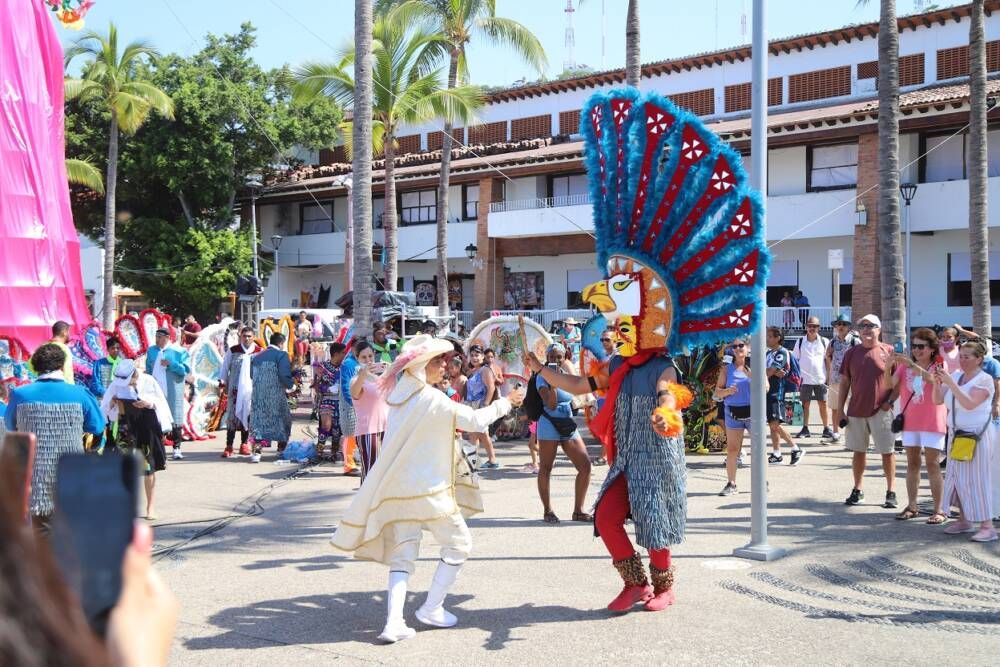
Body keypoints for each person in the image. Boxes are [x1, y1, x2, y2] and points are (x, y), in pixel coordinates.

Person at [330, 335, 523, 643]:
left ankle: (394, 623)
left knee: (402, 556)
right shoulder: (430, 399)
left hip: (399, 489)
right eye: (438, 361)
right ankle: (431, 607)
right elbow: (473, 420)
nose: (445, 366)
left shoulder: (400, 396)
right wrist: (505, 402)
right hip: (430, 491)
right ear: (421, 366)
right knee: (459, 545)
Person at [4, 343, 105, 532]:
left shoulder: (20, 394)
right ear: (62, 365)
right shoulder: (80, 394)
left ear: (36, 366)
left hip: (36, 479)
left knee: (41, 533)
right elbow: (97, 426)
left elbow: (11, 426)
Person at [933, 341, 997, 542]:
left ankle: (988, 526)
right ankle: (964, 519)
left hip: (976, 436)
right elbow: (937, 400)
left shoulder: (985, 380)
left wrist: (950, 384)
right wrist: (937, 383)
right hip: (956, 435)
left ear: (979, 359)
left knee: (979, 480)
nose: (962, 360)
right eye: (961, 356)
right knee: (957, 478)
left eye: (967, 356)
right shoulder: (956, 376)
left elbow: (969, 404)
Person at [884, 328, 947, 523]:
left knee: (933, 464)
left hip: (933, 420)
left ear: (931, 349)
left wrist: (911, 364)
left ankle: (939, 510)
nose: (917, 350)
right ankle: (912, 506)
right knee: (912, 464)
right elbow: (889, 384)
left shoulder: (938, 363)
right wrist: (888, 367)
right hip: (910, 421)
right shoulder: (904, 366)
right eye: (914, 346)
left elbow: (932, 380)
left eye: (921, 346)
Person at [838, 314, 897, 508]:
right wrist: (840, 410)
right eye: (862, 326)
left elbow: (899, 382)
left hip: (882, 410)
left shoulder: (889, 351)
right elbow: (845, 382)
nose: (866, 329)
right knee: (858, 452)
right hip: (856, 410)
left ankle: (891, 491)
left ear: (879, 329)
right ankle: (858, 489)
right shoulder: (851, 353)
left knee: (887, 452)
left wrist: (889, 402)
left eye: (871, 325)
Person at [100, 359, 172, 519]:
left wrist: (148, 404)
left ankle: (150, 507)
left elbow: (161, 403)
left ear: (134, 374)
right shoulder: (116, 384)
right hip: (126, 426)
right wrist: (112, 403)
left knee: (149, 467)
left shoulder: (148, 381)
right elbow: (105, 406)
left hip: (146, 425)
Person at [534, 343, 593, 524]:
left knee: (585, 466)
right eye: (552, 357)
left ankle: (578, 511)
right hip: (548, 422)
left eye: (559, 356)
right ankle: (548, 510)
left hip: (566, 422)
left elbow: (580, 391)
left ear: (564, 357)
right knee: (546, 468)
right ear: (547, 358)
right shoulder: (542, 377)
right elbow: (550, 404)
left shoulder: (566, 373)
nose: (556, 360)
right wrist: (553, 382)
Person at [145, 328, 190, 460]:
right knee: (156, 415)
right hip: (155, 388)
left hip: (173, 388)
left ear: (167, 338)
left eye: (160, 337)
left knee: (175, 415)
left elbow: (185, 370)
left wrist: (171, 364)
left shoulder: (179, 351)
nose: (157, 339)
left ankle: (176, 448)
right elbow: (148, 368)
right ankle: (158, 447)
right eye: (156, 336)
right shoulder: (151, 351)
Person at [250, 333, 295, 463]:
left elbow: (252, 375)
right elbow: (284, 374)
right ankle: (281, 450)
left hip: (258, 395)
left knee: (259, 423)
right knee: (283, 420)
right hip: (276, 394)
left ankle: (257, 453)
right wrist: (291, 386)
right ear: (281, 343)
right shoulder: (281, 355)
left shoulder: (256, 356)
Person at [716, 339, 752, 496]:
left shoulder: (754, 366)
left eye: (741, 345)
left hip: (754, 414)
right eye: (734, 346)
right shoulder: (726, 369)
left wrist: (752, 376)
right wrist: (728, 391)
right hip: (733, 413)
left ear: (748, 347)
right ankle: (731, 484)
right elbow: (717, 392)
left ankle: (762, 482)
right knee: (732, 449)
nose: (738, 349)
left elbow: (765, 387)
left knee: (759, 449)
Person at [219, 327, 262, 459]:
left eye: (249, 336)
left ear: (254, 336)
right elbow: (225, 368)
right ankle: (229, 445)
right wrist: (222, 383)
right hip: (235, 390)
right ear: (241, 336)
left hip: (252, 391)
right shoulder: (234, 351)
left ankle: (244, 443)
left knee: (248, 416)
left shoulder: (259, 352)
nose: (247, 338)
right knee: (232, 417)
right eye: (244, 336)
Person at [349, 341, 389, 481]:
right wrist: (363, 374)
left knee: (386, 473)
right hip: (368, 431)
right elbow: (354, 393)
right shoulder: (356, 380)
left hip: (387, 429)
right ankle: (365, 502)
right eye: (364, 357)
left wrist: (390, 372)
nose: (368, 360)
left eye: (370, 356)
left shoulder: (381, 379)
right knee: (371, 473)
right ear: (357, 358)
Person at [765, 328, 804, 465]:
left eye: (769, 336)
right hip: (768, 393)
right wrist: (769, 372)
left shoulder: (781, 353)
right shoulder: (769, 353)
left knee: (775, 424)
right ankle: (777, 453)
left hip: (778, 394)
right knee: (772, 424)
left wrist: (769, 372)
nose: (767, 338)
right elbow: (767, 371)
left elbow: (769, 372)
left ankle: (795, 448)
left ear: (778, 338)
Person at [793, 316, 832, 440]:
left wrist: (829, 377)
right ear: (806, 327)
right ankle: (805, 428)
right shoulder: (799, 342)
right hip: (805, 379)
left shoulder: (825, 341)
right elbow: (794, 360)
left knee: (823, 404)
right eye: (809, 326)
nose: (812, 328)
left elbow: (828, 361)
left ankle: (826, 428)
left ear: (818, 328)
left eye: (814, 326)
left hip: (821, 378)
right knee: (805, 405)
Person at [825, 313, 859, 444]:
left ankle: (852, 434)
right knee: (835, 407)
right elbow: (828, 357)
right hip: (835, 379)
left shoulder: (855, 341)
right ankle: (835, 432)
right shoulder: (832, 342)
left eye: (844, 324)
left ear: (848, 327)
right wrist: (829, 374)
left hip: (851, 380)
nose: (841, 326)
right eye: (839, 324)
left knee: (851, 407)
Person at [464, 345, 499, 469]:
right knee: (480, 434)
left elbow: (491, 388)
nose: (474, 357)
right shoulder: (474, 371)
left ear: (482, 356)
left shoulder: (485, 370)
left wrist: (485, 405)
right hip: (472, 405)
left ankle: (474, 461)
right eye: (472, 355)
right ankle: (489, 460)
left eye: (477, 355)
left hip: (480, 405)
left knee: (477, 433)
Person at [314, 342, 348, 462]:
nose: (345, 355)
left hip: (340, 402)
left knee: (337, 429)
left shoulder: (345, 367)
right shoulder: (321, 367)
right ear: (336, 354)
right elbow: (316, 386)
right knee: (326, 425)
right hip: (326, 400)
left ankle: (335, 452)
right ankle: (319, 450)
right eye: (343, 353)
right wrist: (326, 389)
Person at [339, 341, 361, 476]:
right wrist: (353, 401)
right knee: (350, 434)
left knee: (358, 434)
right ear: (352, 348)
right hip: (350, 404)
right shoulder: (348, 364)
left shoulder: (360, 363)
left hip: (361, 403)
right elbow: (346, 385)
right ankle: (348, 465)